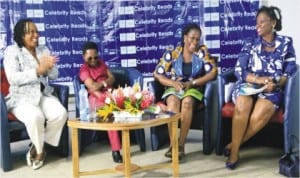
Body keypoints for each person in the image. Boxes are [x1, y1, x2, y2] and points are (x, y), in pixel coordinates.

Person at [225, 6, 297, 170]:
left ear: (273, 22)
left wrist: (276, 84)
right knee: (243, 103)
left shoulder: (286, 43)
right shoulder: (250, 43)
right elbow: (239, 70)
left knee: (262, 111)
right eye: (256, 23)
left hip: (272, 88)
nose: (258, 26)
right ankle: (235, 151)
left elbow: (290, 71)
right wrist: (258, 79)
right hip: (250, 85)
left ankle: (233, 144)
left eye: (262, 22)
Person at [3, 18, 67, 170]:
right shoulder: (12, 51)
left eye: (36, 31)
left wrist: (49, 68)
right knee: (35, 117)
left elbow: (54, 75)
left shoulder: (43, 50)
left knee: (61, 113)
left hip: (43, 94)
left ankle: (39, 144)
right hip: (20, 98)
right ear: (21, 35)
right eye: (31, 32)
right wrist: (38, 70)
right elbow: (12, 78)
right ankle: (39, 152)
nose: (36, 35)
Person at [153, 23, 217, 159]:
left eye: (197, 39)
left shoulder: (202, 52)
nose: (194, 42)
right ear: (184, 38)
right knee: (172, 102)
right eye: (192, 38)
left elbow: (212, 72)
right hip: (174, 87)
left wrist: (193, 82)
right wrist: (173, 83)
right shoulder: (173, 53)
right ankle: (173, 145)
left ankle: (181, 145)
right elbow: (158, 74)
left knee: (187, 103)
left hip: (193, 88)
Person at [79, 41, 123, 163]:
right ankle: (116, 150)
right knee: (110, 114)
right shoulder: (83, 69)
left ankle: (129, 140)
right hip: (95, 98)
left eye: (96, 57)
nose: (93, 60)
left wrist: (103, 84)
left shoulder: (102, 63)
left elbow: (112, 78)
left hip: (109, 92)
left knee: (128, 104)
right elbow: (92, 88)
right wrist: (105, 93)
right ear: (84, 57)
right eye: (90, 58)